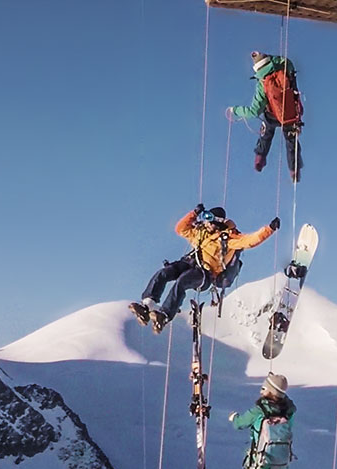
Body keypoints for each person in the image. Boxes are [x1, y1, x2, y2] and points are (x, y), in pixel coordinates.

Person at [130, 205, 278, 332]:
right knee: (164, 273)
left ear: (218, 222)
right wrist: (193, 214)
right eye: (205, 218)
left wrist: (269, 229)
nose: (206, 222)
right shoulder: (201, 232)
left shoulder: (228, 238)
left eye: (209, 220)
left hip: (206, 274)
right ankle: (147, 304)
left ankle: (165, 315)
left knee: (182, 282)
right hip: (189, 262)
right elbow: (180, 229)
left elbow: (251, 240)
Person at [227, 51, 304, 183]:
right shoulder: (285, 67)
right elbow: (288, 64)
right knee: (291, 141)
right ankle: (294, 169)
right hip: (291, 114)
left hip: (273, 116)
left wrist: (235, 111)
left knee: (266, 134)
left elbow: (254, 111)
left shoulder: (262, 84)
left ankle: (260, 158)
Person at [229, 373, 296, 469]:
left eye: (264, 388)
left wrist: (234, 418)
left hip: (261, 455)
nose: (261, 391)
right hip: (282, 456)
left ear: (271, 391)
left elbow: (240, 424)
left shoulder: (259, 410)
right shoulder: (288, 411)